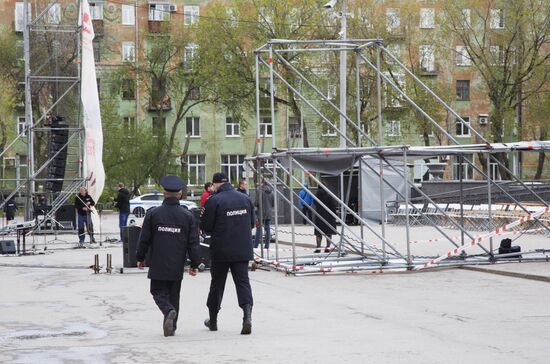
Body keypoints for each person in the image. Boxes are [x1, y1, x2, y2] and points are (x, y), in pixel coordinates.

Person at [136, 175, 200, 337]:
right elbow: (193, 242)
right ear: (179, 195)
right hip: (177, 261)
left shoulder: (153, 214)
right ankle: (172, 325)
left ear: (164, 193)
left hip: (158, 260)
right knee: (174, 294)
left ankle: (168, 310)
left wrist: (140, 257)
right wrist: (194, 263)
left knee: (157, 291)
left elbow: (144, 238)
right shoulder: (187, 216)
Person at [200, 172, 255, 335]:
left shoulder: (214, 200)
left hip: (221, 249)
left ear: (216, 184)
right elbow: (252, 223)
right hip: (242, 249)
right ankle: (247, 316)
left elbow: (206, 226)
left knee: (217, 284)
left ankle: (213, 320)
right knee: (243, 282)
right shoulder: (245, 199)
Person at [313, 186, 337, 253]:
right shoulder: (329, 196)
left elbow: (315, 204)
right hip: (328, 217)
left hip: (319, 216)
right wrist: (334, 215)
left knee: (318, 233)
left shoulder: (316, 196)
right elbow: (333, 205)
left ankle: (318, 248)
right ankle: (327, 248)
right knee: (328, 233)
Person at [254, 180, 274, 252]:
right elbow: (273, 203)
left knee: (258, 229)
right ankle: (267, 245)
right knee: (267, 228)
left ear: (262, 183)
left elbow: (256, 202)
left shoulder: (259, 190)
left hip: (260, 212)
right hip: (269, 212)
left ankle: (255, 245)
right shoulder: (272, 191)